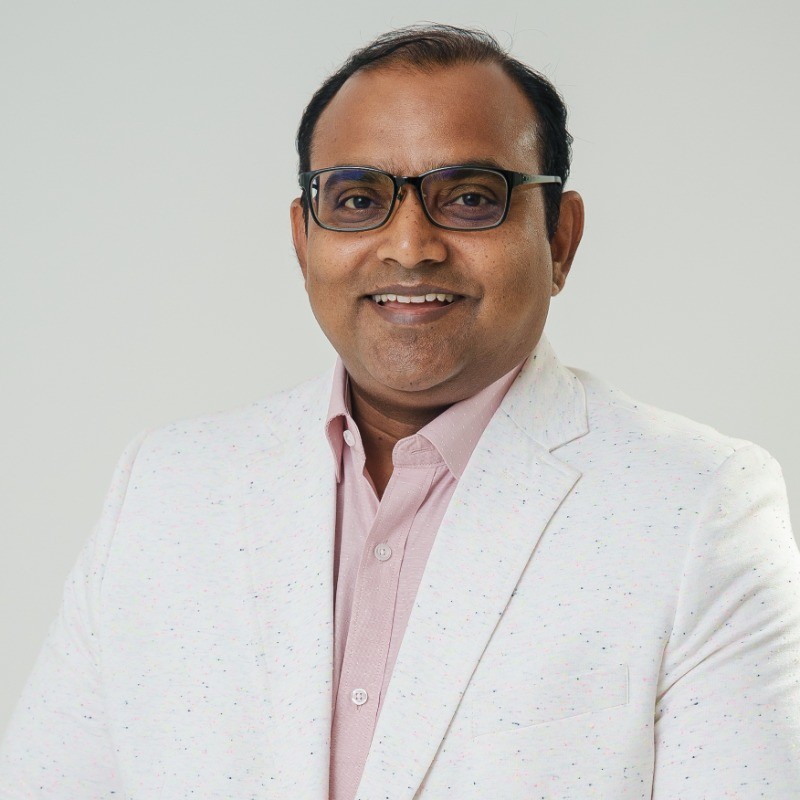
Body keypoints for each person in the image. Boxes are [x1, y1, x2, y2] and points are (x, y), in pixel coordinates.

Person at [2, 22, 799, 800]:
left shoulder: (694, 504)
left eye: (472, 198)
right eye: (357, 199)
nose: (410, 246)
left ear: (560, 237)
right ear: (302, 240)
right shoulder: (165, 490)